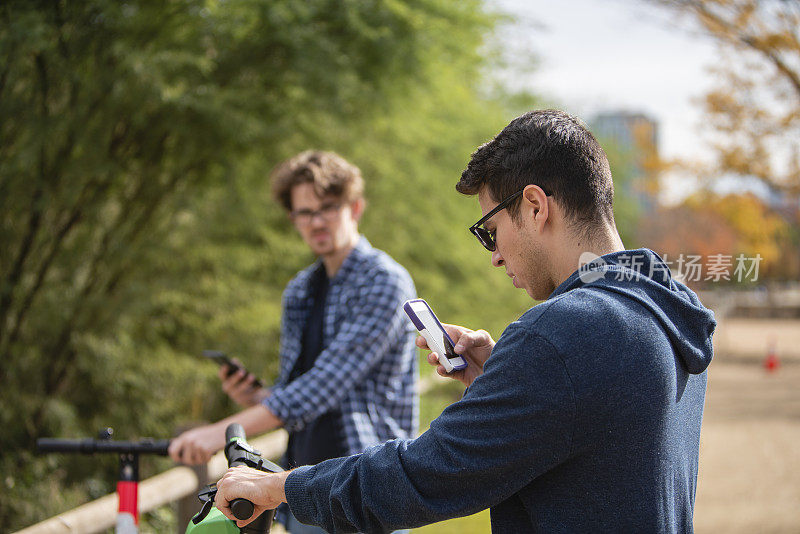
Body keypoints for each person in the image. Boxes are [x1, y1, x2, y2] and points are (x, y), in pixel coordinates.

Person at [211, 110, 716, 533]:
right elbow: (601, 434)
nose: (494, 257)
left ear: (535, 206)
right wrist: (502, 377)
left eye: (489, 230)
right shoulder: (662, 305)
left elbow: (428, 473)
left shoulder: (560, 335)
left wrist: (280, 487)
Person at [168, 150, 418, 534]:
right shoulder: (300, 290)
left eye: (328, 208)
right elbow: (295, 394)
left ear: (355, 208)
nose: (316, 221)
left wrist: (222, 429)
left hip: (365, 484)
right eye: (305, 212)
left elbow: (322, 387)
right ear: (293, 219)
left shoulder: (384, 281)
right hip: (300, 485)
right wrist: (256, 398)